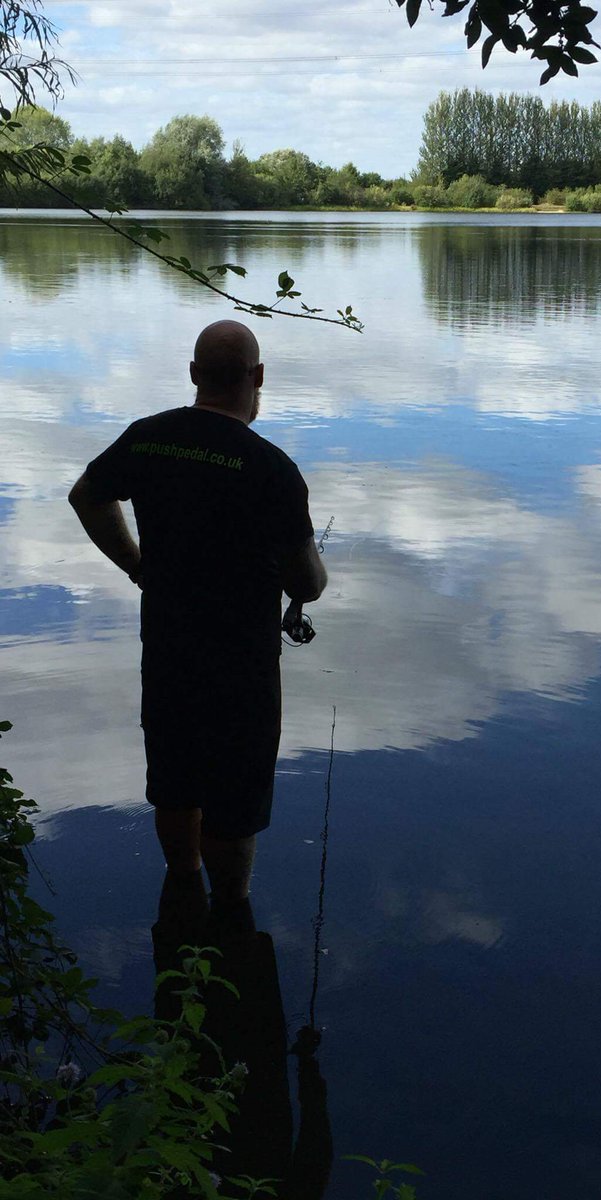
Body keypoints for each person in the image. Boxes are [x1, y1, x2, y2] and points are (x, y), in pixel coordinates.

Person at [68, 319, 327, 904]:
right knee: (234, 803)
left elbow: (87, 496)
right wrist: (315, 582)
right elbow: (304, 580)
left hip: (166, 650)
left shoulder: (147, 437)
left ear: (193, 375)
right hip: (242, 668)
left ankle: (182, 894)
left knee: (176, 783)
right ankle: (231, 915)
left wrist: (136, 564)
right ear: (258, 378)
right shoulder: (271, 468)